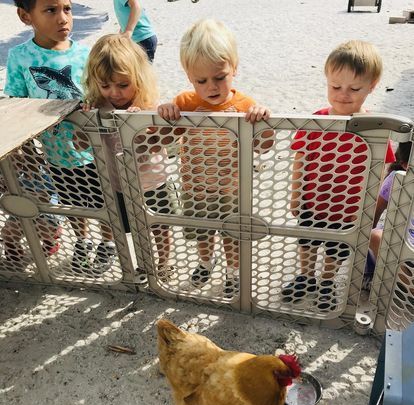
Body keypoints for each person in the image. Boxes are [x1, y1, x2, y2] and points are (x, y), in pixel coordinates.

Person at [157, 19, 271, 297]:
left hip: (232, 188)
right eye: (201, 80)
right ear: (189, 76)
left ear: (234, 67)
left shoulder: (244, 104)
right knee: (202, 232)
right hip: (195, 186)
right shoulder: (186, 102)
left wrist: (263, 121)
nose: (211, 87)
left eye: (219, 77)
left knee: (231, 235)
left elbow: (264, 146)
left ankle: (233, 272)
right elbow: (166, 140)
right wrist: (168, 114)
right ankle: (206, 263)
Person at [3, 0, 114, 276]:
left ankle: (108, 244)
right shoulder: (20, 56)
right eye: (51, 10)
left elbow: (101, 96)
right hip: (55, 155)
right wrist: (25, 151)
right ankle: (82, 241)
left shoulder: (86, 55)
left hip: (94, 150)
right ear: (25, 16)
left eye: (67, 9)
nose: (63, 18)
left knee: (104, 202)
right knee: (73, 202)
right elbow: (16, 103)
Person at [285, 40, 394, 310]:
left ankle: (326, 282)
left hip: (349, 209)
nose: (343, 94)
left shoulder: (376, 129)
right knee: (307, 243)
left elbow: (381, 169)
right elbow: (300, 158)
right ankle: (306, 276)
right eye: (335, 87)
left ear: (372, 85)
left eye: (354, 89)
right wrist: (295, 196)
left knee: (337, 249)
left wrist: (370, 210)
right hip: (313, 202)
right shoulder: (317, 120)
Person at [82, 33, 173, 280]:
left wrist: (141, 125)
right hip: (119, 184)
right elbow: (81, 144)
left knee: (160, 227)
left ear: (139, 80)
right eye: (105, 85)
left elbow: (160, 146)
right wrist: (87, 121)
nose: (114, 93)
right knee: (125, 227)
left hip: (154, 183)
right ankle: (136, 265)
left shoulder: (148, 106)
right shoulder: (99, 108)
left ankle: (163, 264)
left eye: (123, 85)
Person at [363, 142, 412, 289]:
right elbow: (372, 218)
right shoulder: (395, 180)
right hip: (395, 247)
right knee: (374, 235)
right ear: (405, 165)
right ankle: (409, 289)